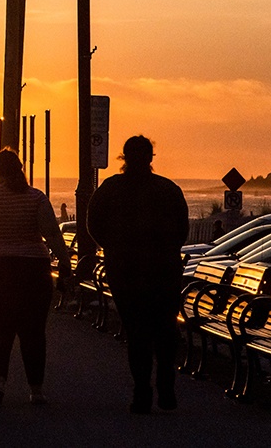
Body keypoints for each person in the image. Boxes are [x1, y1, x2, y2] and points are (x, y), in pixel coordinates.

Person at [87, 134, 190, 414]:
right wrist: (166, 251)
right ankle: (166, 389)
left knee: (138, 333)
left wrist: (112, 248)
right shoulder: (168, 190)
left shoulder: (110, 189)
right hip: (164, 272)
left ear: (124, 157)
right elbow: (183, 229)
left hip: (125, 272)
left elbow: (92, 224)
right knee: (165, 331)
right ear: (150, 159)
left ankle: (142, 392)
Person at [0, 149, 70, 407]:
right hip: (33, 268)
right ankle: (36, 389)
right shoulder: (36, 198)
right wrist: (65, 264)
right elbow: (53, 234)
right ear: (20, 170)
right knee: (33, 329)